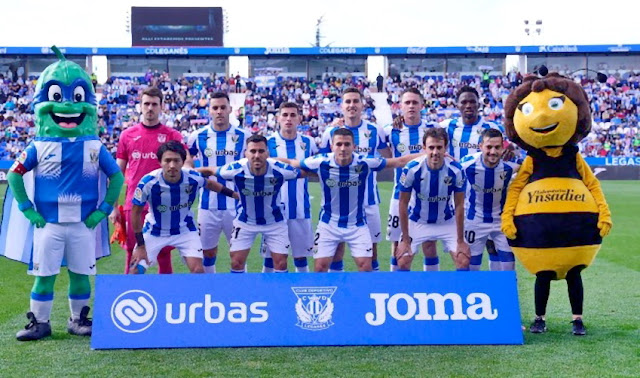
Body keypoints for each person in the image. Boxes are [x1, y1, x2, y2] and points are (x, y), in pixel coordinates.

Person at [7, 50, 124, 341]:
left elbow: (117, 176)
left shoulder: (94, 145)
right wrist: (27, 207)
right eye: (59, 97)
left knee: (80, 274)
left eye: (78, 97)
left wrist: (103, 209)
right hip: (49, 223)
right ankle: (41, 323)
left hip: (83, 223)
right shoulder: (39, 145)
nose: (70, 105)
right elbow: (14, 173)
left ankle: (78, 320)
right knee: (44, 275)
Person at [281, 128, 421, 272]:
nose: (343, 148)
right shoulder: (320, 161)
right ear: (332, 146)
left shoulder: (364, 162)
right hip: (328, 224)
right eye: (339, 144)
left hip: (357, 225)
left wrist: (427, 154)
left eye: (347, 144)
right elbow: (292, 163)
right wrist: (265, 160)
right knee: (320, 268)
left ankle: (363, 294)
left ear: (354, 147)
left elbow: (399, 161)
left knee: (366, 267)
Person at [128, 141, 237, 274]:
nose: (172, 165)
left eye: (176, 160)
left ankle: (198, 295)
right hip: (154, 231)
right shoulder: (148, 183)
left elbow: (211, 184)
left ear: (182, 161)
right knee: (134, 271)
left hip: (184, 230)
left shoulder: (193, 177)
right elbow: (135, 213)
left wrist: (235, 195)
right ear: (160, 162)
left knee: (198, 270)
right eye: (167, 161)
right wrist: (140, 245)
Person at [110, 86, 184, 274]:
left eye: (154, 104)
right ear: (140, 106)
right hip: (134, 205)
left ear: (161, 107)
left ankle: (165, 298)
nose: (150, 108)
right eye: (146, 104)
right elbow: (117, 173)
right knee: (132, 253)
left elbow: (182, 170)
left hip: (164, 205)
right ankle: (130, 296)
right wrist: (113, 207)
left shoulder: (172, 136)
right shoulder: (127, 135)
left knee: (164, 255)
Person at [205, 135, 301, 273]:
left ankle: (278, 294)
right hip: (245, 221)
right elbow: (209, 171)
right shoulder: (234, 169)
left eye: (261, 151)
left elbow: (304, 172)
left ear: (268, 153)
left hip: (274, 222)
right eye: (253, 151)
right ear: (246, 153)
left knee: (281, 263)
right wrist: (185, 172)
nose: (257, 155)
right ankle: (241, 294)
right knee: (236, 262)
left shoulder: (281, 169)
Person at [439, 86, 510, 271]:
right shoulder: (447, 126)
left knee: (493, 247)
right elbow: (432, 144)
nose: (468, 105)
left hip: (489, 195)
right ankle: (470, 289)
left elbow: (508, 151)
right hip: (461, 196)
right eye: (464, 102)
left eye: (472, 102)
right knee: (464, 252)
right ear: (457, 105)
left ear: (479, 104)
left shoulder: (492, 128)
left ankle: (493, 289)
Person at [319, 87, 389, 272]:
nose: (352, 105)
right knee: (336, 250)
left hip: (369, 201)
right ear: (341, 106)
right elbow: (323, 163)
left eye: (355, 101)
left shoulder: (375, 130)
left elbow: (388, 157)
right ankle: (338, 289)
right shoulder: (330, 133)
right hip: (337, 204)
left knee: (371, 252)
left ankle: (371, 291)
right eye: (348, 101)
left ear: (362, 105)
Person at [186, 92, 251, 273]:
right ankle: (211, 292)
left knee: (238, 256)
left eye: (223, 107)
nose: (220, 111)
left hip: (237, 205)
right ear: (209, 111)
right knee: (207, 254)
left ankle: (240, 295)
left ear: (230, 109)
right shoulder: (197, 136)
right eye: (215, 108)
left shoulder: (244, 136)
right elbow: (187, 160)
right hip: (207, 206)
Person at [395, 128, 470, 271]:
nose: (435, 152)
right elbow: (403, 204)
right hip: (417, 221)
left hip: (446, 221)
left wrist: (460, 240)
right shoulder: (412, 169)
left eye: (439, 147)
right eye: (431, 147)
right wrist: (405, 240)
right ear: (424, 148)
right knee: (402, 261)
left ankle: (459, 292)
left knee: (463, 260)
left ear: (445, 148)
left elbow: (460, 205)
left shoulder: (456, 170)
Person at [385, 88, 437, 271]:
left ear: (422, 105)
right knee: (397, 244)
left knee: (429, 245)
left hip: (426, 196)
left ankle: (430, 286)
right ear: (400, 106)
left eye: (415, 102)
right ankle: (396, 285)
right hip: (399, 196)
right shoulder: (391, 131)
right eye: (407, 103)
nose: (411, 106)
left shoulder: (432, 131)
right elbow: (386, 158)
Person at [261, 102, 318, 273]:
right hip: (272, 211)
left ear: (299, 119)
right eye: (284, 115)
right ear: (278, 118)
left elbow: (316, 170)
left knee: (301, 258)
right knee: (271, 258)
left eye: (293, 115)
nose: (288, 119)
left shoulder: (309, 143)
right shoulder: (267, 143)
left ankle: (301, 293)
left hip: (300, 208)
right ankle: (268, 295)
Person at [460, 129, 519, 270]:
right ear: (481, 146)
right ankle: (474, 291)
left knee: (509, 266)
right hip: (475, 221)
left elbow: (531, 166)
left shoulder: (511, 166)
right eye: (489, 147)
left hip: (501, 221)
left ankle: (504, 291)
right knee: (472, 267)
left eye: (497, 147)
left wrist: (516, 149)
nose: (493, 152)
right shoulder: (468, 164)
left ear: (502, 148)